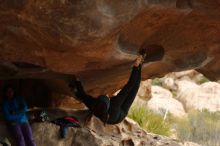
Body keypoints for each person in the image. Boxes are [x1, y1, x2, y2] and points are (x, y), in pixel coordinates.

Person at [69, 47, 164, 125]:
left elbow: (83, 96)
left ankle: (140, 63)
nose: (107, 94)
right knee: (135, 87)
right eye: (107, 97)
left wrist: (77, 82)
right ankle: (139, 64)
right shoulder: (114, 105)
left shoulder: (93, 104)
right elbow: (129, 85)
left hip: (108, 113)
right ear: (109, 103)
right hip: (119, 114)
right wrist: (135, 66)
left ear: (97, 100)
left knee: (82, 96)